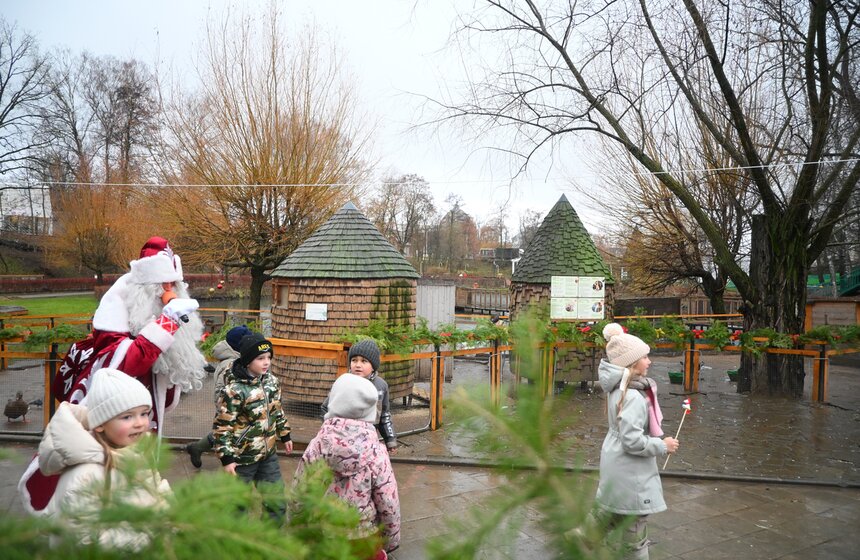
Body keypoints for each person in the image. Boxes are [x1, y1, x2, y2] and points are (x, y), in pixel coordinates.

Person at [21, 236, 207, 515]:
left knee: (138, 479)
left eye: (173, 286)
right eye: (162, 286)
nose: (168, 292)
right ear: (145, 288)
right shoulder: (116, 317)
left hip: (141, 423)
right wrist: (166, 322)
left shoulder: (157, 310)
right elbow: (122, 368)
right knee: (102, 486)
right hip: (108, 430)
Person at [27, 368, 171, 549]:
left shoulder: (135, 453)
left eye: (143, 413)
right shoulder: (86, 473)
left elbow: (155, 491)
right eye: (127, 416)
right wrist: (147, 536)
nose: (140, 423)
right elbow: (84, 537)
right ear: (101, 424)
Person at [594, 323, 679, 560]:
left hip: (618, 465)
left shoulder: (621, 389)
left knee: (613, 514)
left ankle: (582, 540)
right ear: (632, 363)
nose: (649, 361)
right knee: (634, 525)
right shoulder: (632, 396)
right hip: (630, 472)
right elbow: (632, 440)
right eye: (645, 357)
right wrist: (662, 446)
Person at [296, 373, 401, 557]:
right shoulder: (376, 451)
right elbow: (388, 500)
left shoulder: (317, 445)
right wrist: (391, 539)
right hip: (364, 538)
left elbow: (300, 490)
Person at [212, 333, 292, 522]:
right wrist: (227, 458)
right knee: (236, 505)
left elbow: (277, 410)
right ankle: (236, 543)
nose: (266, 363)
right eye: (260, 358)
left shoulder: (272, 382)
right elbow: (222, 427)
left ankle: (271, 541)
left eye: (269, 358)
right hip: (242, 458)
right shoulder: (234, 391)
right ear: (248, 361)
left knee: (276, 501)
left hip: (268, 454)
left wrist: (285, 434)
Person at [185, 325, 252, 468]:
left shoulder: (237, 360)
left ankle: (197, 447)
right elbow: (220, 391)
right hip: (229, 407)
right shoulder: (231, 364)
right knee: (228, 434)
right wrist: (225, 408)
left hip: (236, 407)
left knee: (226, 433)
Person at [321, 339, 397, 454]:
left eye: (364, 361)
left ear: (373, 366)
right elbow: (325, 408)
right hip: (341, 440)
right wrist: (330, 430)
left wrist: (390, 439)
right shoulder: (343, 383)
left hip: (368, 442)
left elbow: (384, 415)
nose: (357, 365)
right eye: (354, 360)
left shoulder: (381, 386)